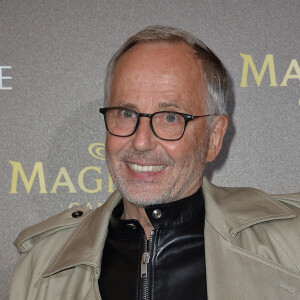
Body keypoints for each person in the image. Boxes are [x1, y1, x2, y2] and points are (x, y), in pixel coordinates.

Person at [8, 25, 300, 300]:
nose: (141, 141)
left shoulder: (291, 246)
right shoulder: (41, 267)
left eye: (170, 117)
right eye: (126, 113)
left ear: (213, 137)